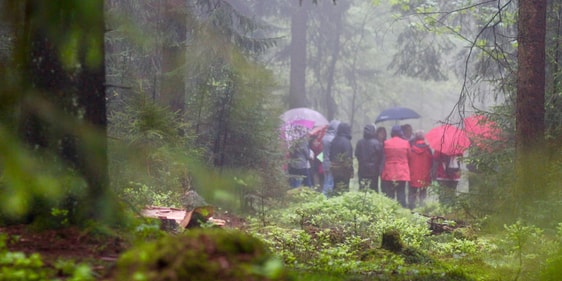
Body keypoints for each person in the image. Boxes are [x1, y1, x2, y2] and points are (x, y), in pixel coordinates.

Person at [381, 125, 410, 207]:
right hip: (402, 172)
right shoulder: (406, 143)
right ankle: (402, 210)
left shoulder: (386, 143)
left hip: (389, 171)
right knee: (401, 192)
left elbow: (383, 156)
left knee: (390, 193)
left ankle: (390, 210)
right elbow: (409, 156)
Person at [407, 130, 433, 209]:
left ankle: (412, 210)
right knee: (423, 193)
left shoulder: (411, 149)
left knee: (412, 193)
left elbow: (408, 161)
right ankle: (422, 209)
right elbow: (431, 162)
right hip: (425, 176)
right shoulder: (428, 149)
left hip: (413, 175)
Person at [355, 124, 383, 192]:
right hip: (373, 170)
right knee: (373, 188)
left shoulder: (360, 142)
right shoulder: (376, 143)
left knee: (362, 187)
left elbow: (356, 154)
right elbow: (380, 156)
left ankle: (362, 201)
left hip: (362, 169)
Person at [329, 122, 353, 196]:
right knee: (344, 189)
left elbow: (330, 154)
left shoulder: (334, 140)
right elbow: (348, 157)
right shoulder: (346, 142)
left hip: (334, 169)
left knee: (336, 187)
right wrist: (350, 170)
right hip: (344, 170)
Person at [321, 120, 340, 196]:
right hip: (330, 162)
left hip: (324, 161)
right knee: (329, 182)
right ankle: (326, 197)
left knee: (326, 180)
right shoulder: (332, 139)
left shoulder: (325, 137)